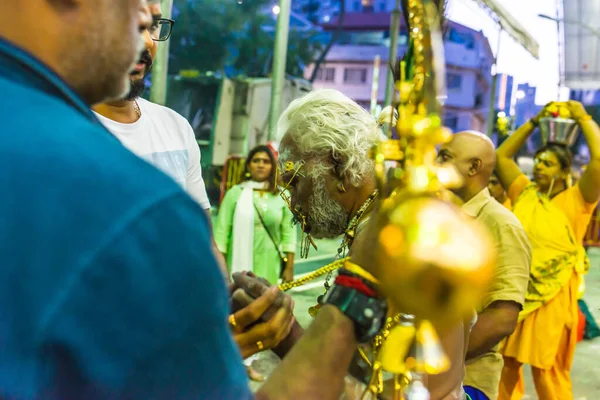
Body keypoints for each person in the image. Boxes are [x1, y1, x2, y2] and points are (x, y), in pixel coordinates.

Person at [0, 1, 382, 398]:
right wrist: (354, 298)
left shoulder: (170, 133)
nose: (147, 29)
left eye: (156, 22)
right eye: (137, 8)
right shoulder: (138, 208)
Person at [236, 89, 469, 400]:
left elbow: (405, 390)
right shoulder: (374, 225)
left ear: (341, 167)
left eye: (296, 182)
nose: (292, 201)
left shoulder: (397, 239)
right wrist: (283, 325)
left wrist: (287, 336)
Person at [91, 3, 228, 278]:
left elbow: (205, 244)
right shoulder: (68, 135)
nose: (147, 41)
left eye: (153, 25)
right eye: (132, 23)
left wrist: (225, 307)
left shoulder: (176, 128)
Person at [495, 101, 600, 400]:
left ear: (565, 171)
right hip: (518, 291)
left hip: (554, 298)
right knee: (505, 364)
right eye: (538, 160)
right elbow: (502, 155)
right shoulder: (524, 194)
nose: (539, 165)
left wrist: (582, 118)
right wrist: (534, 121)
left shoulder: (578, 200)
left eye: (547, 163)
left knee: (549, 370)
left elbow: (598, 158)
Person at [436, 131, 531, 400]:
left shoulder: (500, 224)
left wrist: (434, 361)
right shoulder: (435, 213)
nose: (435, 163)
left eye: (444, 157)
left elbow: (502, 319)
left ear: (474, 167)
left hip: (465, 379)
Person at [215, 145, 296, 285]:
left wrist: (289, 268)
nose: (261, 165)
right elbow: (221, 235)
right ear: (248, 166)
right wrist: (218, 270)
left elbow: (289, 234)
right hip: (236, 267)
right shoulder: (235, 193)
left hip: (270, 264)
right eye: (256, 161)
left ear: (272, 167)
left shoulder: (282, 196)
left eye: (266, 161)